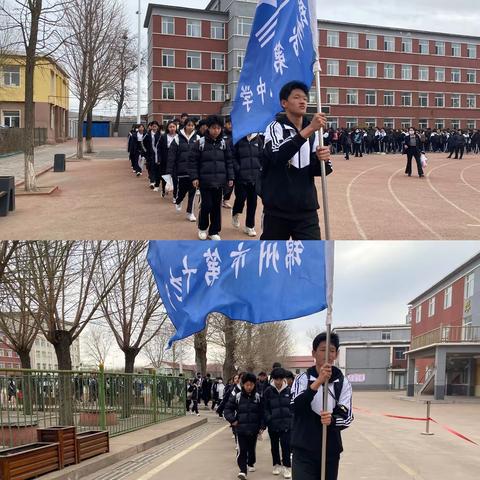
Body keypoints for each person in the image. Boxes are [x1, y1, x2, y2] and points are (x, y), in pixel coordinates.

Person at [260, 81, 333, 240]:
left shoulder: (314, 132)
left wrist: (324, 160)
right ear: (284, 103)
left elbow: (318, 170)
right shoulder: (275, 128)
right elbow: (276, 156)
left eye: (305, 98)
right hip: (277, 211)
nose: (303, 101)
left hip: (306, 211)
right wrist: (307, 131)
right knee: (273, 259)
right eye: (297, 97)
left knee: (311, 259)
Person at [291, 332, 353, 480]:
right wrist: (318, 381)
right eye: (323, 350)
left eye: (331, 351)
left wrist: (331, 420)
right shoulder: (302, 379)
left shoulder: (343, 383)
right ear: (314, 353)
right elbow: (296, 407)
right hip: (304, 450)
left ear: (336, 354)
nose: (327, 355)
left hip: (330, 451)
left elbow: (347, 417)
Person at [189, 115, 235, 241]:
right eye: (213, 128)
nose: (216, 131)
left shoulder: (224, 143)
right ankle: (202, 228)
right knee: (206, 205)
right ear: (208, 128)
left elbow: (229, 162)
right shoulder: (200, 143)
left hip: (220, 181)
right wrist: (194, 177)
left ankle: (214, 231)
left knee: (216, 207)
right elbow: (193, 162)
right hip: (205, 181)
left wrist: (230, 177)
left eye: (219, 128)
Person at [224, 373, 265, 480]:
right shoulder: (237, 397)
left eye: (251, 385)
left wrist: (262, 426)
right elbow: (227, 409)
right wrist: (233, 420)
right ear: (243, 385)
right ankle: (242, 471)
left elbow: (262, 413)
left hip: (254, 430)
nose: (249, 387)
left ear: (254, 385)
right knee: (242, 450)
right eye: (247, 385)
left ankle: (251, 463)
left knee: (251, 450)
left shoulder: (258, 397)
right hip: (241, 429)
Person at [167, 118, 199, 222]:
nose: (191, 127)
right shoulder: (177, 138)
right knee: (181, 192)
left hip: (194, 171)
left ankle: (190, 213)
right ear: (185, 126)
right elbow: (171, 156)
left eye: (192, 125)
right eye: (189, 125)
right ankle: (179, 200)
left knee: (192, 192)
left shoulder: (198, 138)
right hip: (181, 171)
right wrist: (169, 171)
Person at [232, 133, 263, 237]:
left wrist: (261, 168)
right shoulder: (238, 139)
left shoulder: (258, 139)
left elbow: (261, 155)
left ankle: (249, 226)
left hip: (255, 177)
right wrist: (238, 169)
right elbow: (233, 157)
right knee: (240, 198)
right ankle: (235, 212)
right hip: (241, 177)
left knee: (252, 202)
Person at [264, 368, 293, 478]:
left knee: (286, 446)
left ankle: (287, 468)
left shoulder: (289, 390)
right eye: (276, 379)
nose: (278, 382)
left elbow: (293, 407)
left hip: (286, 424)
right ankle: (276, 465)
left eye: (280, 379)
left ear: (283, 379)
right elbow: (265, 408)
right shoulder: (268, 391)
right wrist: (269, 418)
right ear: (273, 379)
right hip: (273, 424)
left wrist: (291, 418)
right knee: (274, 446)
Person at [159, 121, 178, 197]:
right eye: (170, 127)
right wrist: (159, 159)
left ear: (176, 128)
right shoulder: (163, 136)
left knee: (175, 177)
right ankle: (164, 189)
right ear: (167, 128)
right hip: (165, 159)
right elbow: (159, 149)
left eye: (173, 126)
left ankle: (175, 194)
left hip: (176, 160)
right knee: (165, 176)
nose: (172, 128)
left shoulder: (179, 136)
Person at [143, 121, 162, 192]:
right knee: (150, 168)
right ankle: (152, 182)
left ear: (158, 127)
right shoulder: (147, 134)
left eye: (156, 125)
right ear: (151, 127)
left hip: (158, 155)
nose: (154, 127)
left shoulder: (160, 135)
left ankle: (156, 181)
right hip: (150, 155)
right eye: (153, 125)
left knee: (157, 169)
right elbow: (142, 143)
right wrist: (145, 152)